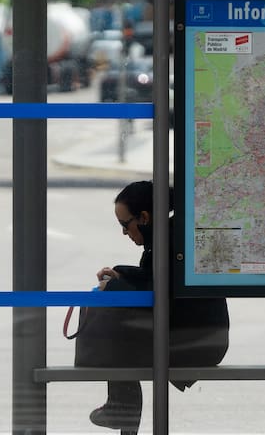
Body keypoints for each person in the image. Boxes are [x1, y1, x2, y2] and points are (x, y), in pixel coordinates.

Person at [88, 181, 230, 433]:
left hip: (194, 341)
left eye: (125, 225)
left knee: (118, 335)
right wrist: (120, 274)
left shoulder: (171, 242)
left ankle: (120, 409)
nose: (124, 233)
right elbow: (154, 279)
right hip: (202, 335)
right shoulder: (171, 234)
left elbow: (156, 294)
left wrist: (112, 288)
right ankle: (120, 410)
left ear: (144, 217)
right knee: (122, 333)